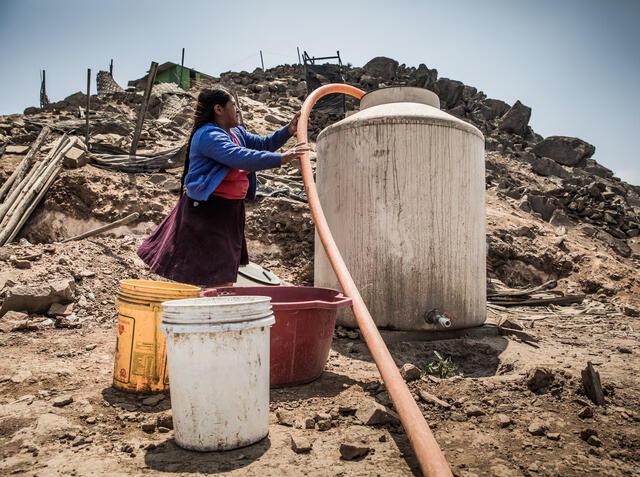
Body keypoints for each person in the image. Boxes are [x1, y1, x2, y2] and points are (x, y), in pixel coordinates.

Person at [137, 87, 309, 287]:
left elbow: (264, 144)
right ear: (218, 109)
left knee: (221, 269)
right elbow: (239, 156)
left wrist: (289, 129)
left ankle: (212, 305)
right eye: (233, 105)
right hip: (209, 210)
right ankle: (206, 308)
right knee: (211, 270)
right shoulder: (208, 135)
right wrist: (282, 158)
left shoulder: (236, 133)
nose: (237, 109)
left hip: (229, 209)